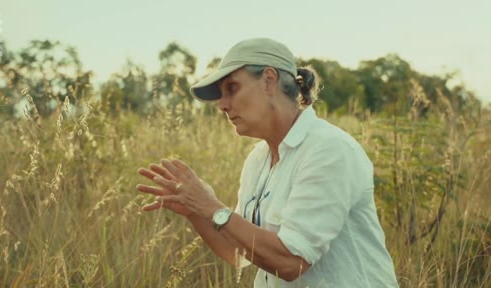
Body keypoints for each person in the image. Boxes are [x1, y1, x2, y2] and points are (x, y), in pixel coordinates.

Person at [137, 38, 399, 287]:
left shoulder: (329, 150)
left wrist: (210, 206)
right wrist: (195, 209)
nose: (222, 105)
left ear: (269, 80)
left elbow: (291, 262)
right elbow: (238, 252)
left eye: (232, 88)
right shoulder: (257, 159)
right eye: (221, 94)